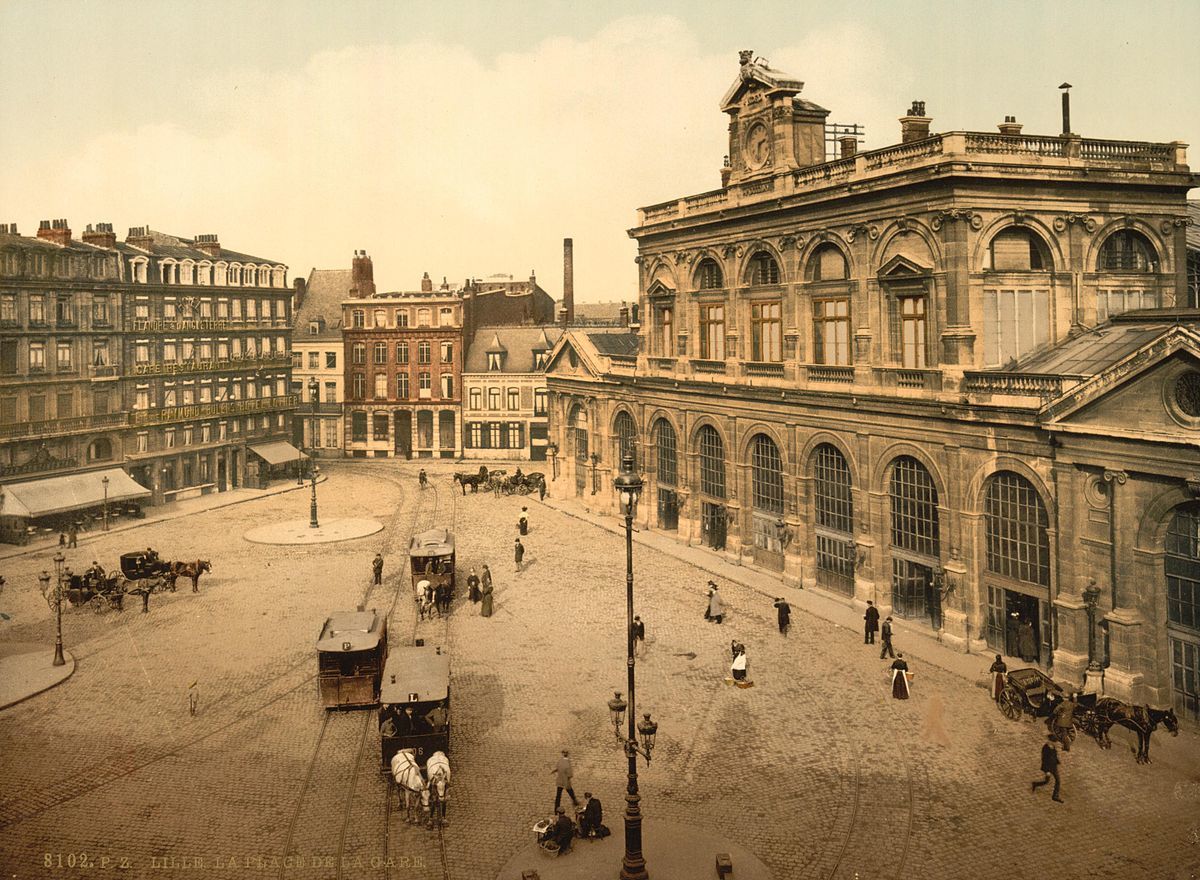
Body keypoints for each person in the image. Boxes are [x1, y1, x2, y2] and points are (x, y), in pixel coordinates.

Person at [1031, 735, 1064, 802]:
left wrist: (1057, 761)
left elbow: (1054, 755)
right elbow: (1044, 760)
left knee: (1058, 780)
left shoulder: (1053, 746)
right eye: (1054, 742)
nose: (1055, 743)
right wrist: (1047, 771)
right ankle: (1035, 784)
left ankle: (1055, 796)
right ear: (1050, 741)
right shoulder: (1045, 748)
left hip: (1054, 766)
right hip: (1048, 767)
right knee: (1046, 781)